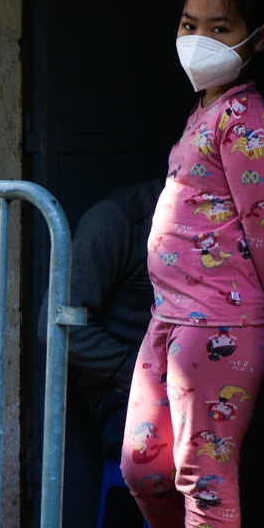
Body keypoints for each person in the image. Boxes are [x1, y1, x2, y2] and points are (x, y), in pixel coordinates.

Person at [102, 0, 264, 528]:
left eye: (220, 26)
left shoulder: (246, 119)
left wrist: (263, 315)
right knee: (143, 464)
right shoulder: (202, 114)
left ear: (255, 40)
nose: (198, 39)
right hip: (169, 317)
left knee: (204, 473)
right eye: (187, 23)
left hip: (222, 324)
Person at [68, 181, 162, 457]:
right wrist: (142, 373)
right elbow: (61, 328)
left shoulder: (230, 222)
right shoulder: (119, 219)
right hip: (125, 392)